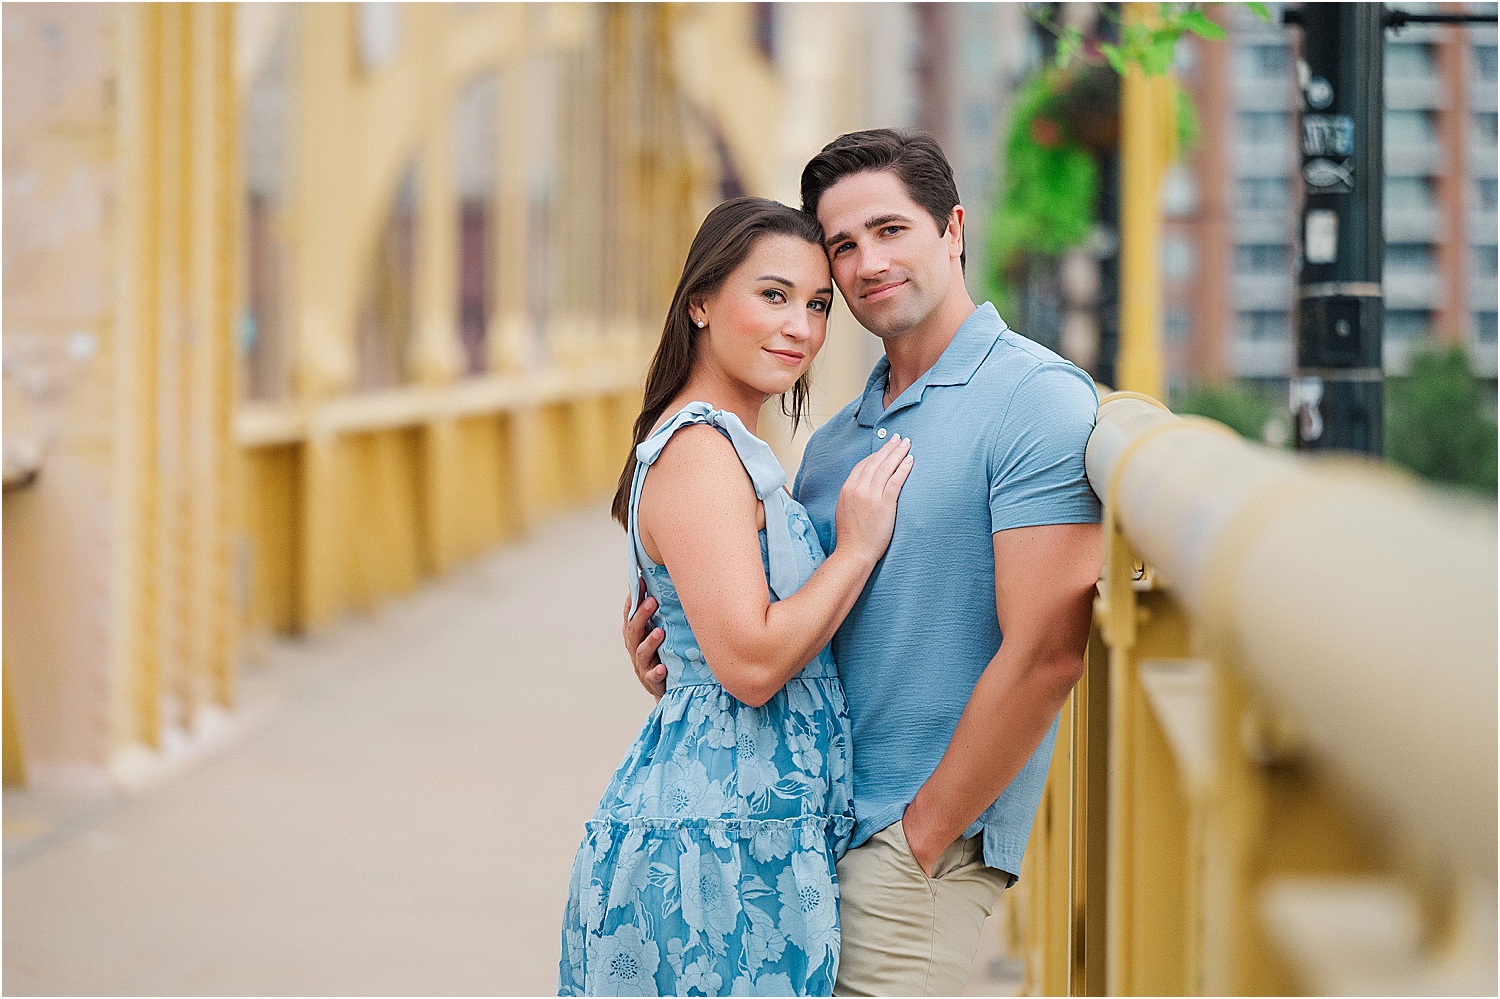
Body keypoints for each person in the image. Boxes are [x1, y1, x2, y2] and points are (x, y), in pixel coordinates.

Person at [626, 130, 1104, 996]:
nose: (866, 262)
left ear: (953, 229)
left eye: (890, 230)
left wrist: (923, 837)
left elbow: (1047, 652)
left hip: (907, 850)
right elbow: (784, 633)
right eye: (843, 246)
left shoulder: (1037, 400)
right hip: (798, 842)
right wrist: (692, 659)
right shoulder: (836, 441)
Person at [560, 196, 916, 996]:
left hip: (748, 833)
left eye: (819, 304)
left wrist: (684, 664)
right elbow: (753, 663)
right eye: (774, 295)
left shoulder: (728, 447)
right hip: (713, 854)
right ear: (701, 301)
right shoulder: (699, 450)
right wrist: (855, 550)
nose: (802, 326)